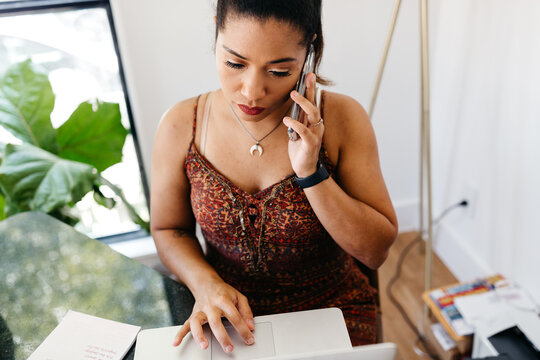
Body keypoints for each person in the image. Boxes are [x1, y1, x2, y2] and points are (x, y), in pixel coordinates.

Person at [150, 0, 398, 354]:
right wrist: (206, 285)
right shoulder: (180, 124)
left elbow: (375, 252)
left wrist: (311, 174)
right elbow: (168, 230)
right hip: (228, 321)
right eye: (234, 63)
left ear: (309, 56)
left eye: (279, 71)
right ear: (216, 38)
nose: (252, 91)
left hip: (330, 313)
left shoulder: (344, 119)